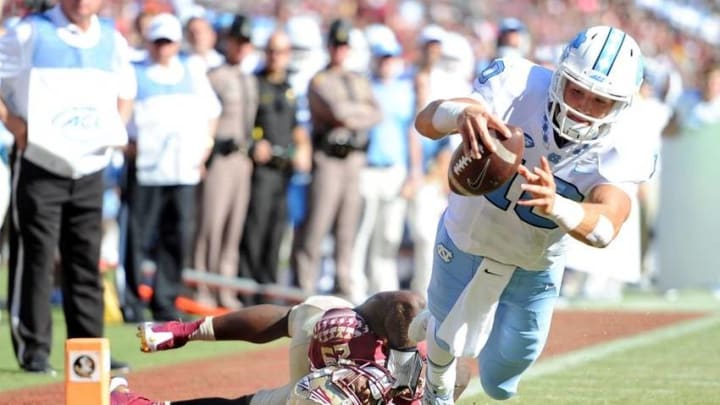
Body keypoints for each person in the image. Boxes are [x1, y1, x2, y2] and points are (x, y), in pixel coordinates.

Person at [413, 26, 653, 402]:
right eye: (577, 91)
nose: (582, 109)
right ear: (559, 77)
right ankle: (434, 385)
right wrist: (461, 113)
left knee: (501, 381)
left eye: (599, 100)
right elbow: (425, 121)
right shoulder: (516, 85)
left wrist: (558, 205)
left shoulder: (628, 139)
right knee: (444, 341)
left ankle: (432, 329)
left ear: (620, 104)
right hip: (467, 236)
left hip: (534, 262)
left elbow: (607, 226)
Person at [0, 0, 135, 374]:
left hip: (89, 166)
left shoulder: (112, 39)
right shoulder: (29, 31)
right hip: (40, 163)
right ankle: (34, 351)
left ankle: (89, 355)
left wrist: (111, 132)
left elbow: (126, 92)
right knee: (37, 259)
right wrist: (18, 127)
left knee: (85, 262)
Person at [110, 291, 471, 404]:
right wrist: (403, 371)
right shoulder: (414, 358)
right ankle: (188, 329)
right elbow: (403, 304)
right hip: (340, 338)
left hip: (313, 390)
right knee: (322, 317)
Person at [128, 12, 221, 320]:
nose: (163, 48)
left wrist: (204, 149)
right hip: (145, 169)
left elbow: (211, 112)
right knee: (138, 236)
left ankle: (165, 299)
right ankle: (133, 300)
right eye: (158, 42)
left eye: (168, 42)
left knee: (177, 235)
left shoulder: (192, 72)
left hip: (182, 170)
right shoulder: (135, 72)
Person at [291, 18, 381, 298]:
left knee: (347, 228)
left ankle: (342, 286)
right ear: (329, 47)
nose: (339, 50)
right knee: (318, 224)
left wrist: (353, 115)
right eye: (336, 44)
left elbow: (377, 113)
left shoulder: (357, 79)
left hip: (353, 160)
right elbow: (337, 111)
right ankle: (304, 287)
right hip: (328, 158)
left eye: (344, 45)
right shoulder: (320, 79)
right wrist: (357, 113)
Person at [238, 30, 311, 299]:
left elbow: (296, 127)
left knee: (276, 231)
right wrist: (255, 142)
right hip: (261, 169)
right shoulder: (255, 84)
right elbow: (245, 122)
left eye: (280, 52)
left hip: (284, 171)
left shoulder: (289, 88)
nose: (275, 57)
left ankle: (267, 292)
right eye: (271, 51)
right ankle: (246, 291)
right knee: (254, 229)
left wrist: (302, 147)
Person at [192, 14, 257, 310]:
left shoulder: (248, 78)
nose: (242, 47)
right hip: (220, 156)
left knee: (233, 227)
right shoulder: (214, 76)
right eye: (237, 41)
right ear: (228, 42)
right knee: (211, 223)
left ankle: (225, 286)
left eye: (246, 42)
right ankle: (201, 285)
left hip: (242, 160)